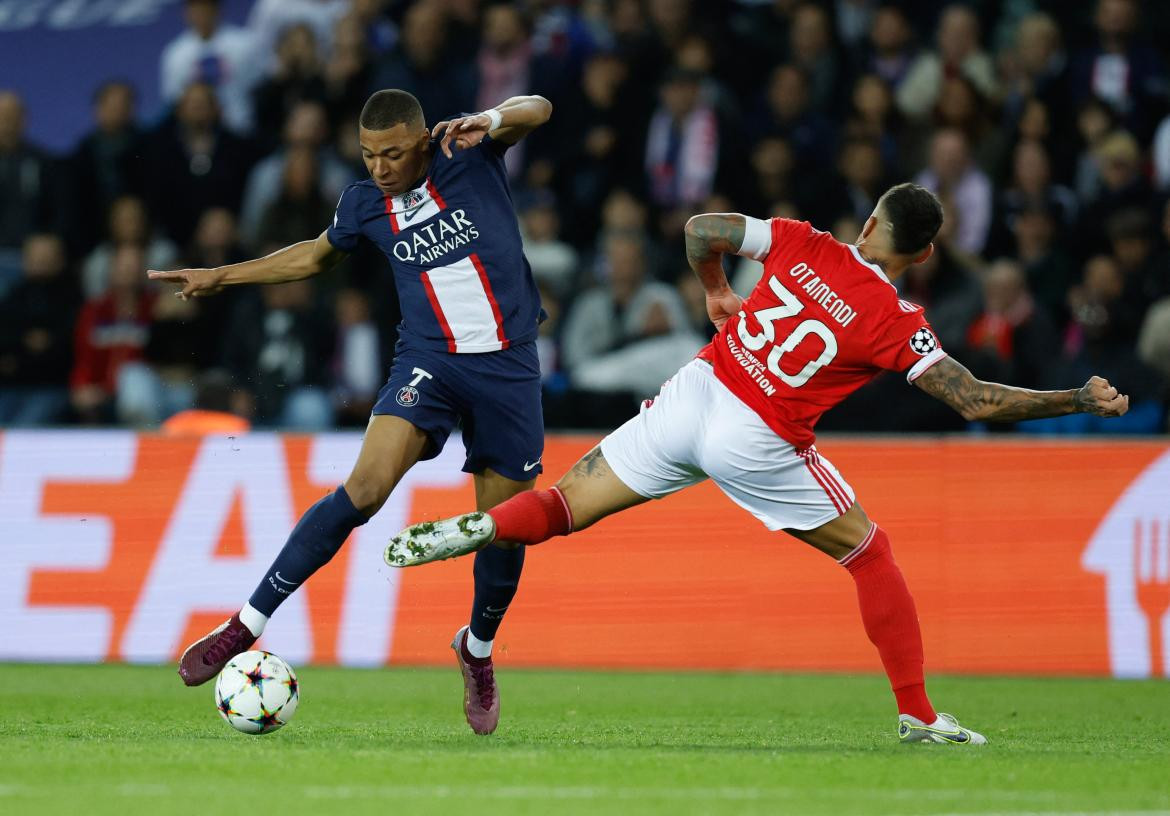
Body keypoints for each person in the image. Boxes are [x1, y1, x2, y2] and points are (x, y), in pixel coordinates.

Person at [386, 183, 1131, 744]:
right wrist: (1077, 396)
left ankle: (482, 525)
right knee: (871, 553)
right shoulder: (896, 321)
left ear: (869, 223)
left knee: (563, 506)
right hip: (758, 434)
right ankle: (918, 713)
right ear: (925, 254)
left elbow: (701, 228)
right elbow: (974, 401)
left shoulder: (804, 241)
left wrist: (715, 288)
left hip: (699, 386)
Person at [150, 89, 553, 736]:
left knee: (504, 528)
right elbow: (312, 256)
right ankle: (245, 624)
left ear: (422, 141)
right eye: (368, 156)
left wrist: (494, 118)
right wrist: (218, 277)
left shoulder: (468, 152)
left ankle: (475, 649)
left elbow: (540, 108)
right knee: (363, 489)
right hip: (430, 363)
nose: (381, 168)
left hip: (508, 367)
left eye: (393, 153)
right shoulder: (363, 204)